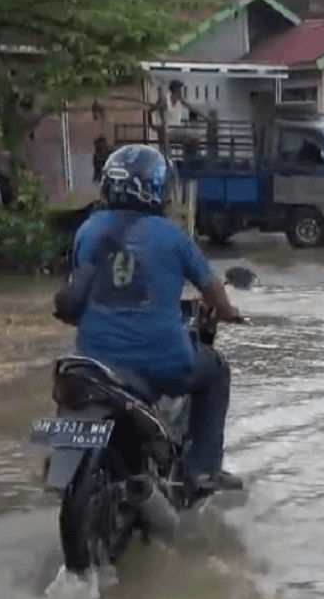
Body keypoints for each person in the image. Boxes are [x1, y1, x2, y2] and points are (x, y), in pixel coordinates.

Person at [72, 144, 244, 491]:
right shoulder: (172, 236)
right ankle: (203, 468)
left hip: (92, 360)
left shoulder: (87, 230)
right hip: (161, 363)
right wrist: (229, 312)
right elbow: (212, 291)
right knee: (216, 369)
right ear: (158, 189)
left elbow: (80, 287)